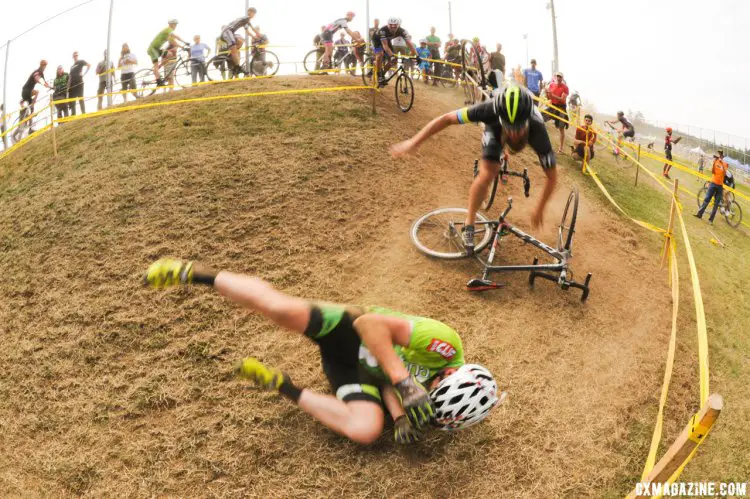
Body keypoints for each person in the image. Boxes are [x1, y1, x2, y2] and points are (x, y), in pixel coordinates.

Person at [143, 258, 503, 444]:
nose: (429, 394)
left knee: (365, 430)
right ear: (452, 372)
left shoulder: (435, 391)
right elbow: (369, 326)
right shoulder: (443, 341)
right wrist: (405, 382)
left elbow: (389, 387)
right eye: (435, 390)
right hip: (350, 330)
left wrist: (398, 415)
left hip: (355, 371)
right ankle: (196, 273)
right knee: (278, 308)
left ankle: (283, 386)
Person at [390, 85, 558, 254]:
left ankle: (503, 152)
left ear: (527, 122)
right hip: (495, 130)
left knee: (508, 150)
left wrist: (540, 208)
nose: (514, 134)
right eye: (510, 128)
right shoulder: (488, 110)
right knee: (487, 174)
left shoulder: (538, 130)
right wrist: (414, 142)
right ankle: (468, 224)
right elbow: (447, 119)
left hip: (518, 131)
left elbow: (552, 177)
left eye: (519, 128)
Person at [372, 18, 417, 87]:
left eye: (395, 25)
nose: (393, 27)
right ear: (387, 25)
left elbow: (409, 43)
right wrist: (391, 55)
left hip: (387, 40)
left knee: (394, 61)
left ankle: (382, 74)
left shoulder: (402, 31)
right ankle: (379, 76)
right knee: (380, 55)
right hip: (377, 40)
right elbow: (385, 46)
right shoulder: (383, 30)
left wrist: (417, 56)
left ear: (398, 25)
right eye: (391, 25)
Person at [220, 8, 258, 74]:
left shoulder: (245, 21)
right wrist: (259, 36)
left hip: (231, 33)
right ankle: (237, 66)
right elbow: (253, 29)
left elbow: (247, 32)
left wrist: (253, 37)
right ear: (250, 12)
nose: (253, 15)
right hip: (227, 31)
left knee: (241, 40)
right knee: (234, 47)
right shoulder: (246, 18)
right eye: (253, 13)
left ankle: (231, 55)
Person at [149, 19, 188, 83]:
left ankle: (158, 72)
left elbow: (174, 42)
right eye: (175, 25)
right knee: (157, 65)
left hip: (156, 49)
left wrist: (182, 47)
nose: (175, 26)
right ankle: (158, 79)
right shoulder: (168, 29)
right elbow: (176, 36)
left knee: (169, 54)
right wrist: (184, 42)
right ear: (171, 25)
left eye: (176, 25)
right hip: (153, 49)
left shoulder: (168, 34)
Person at [695, 150, 729, 224]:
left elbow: (725, 172)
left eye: (720, 155)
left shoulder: (725, 164)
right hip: (713, 183)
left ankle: (711, 220)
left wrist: (721, 163)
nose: (718, 156)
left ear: (722, 156)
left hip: (720, 186)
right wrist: (715, 162)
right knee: (706, 199)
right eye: (718, 155)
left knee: (716, 204)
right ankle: (699, 214)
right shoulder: (715, 162)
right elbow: (713, 171)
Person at [546, 72, 569, 153]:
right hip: (552, 106)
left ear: (562, 78)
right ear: (555, 77)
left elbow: (563, 99)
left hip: (561, 108)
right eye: (557, 76)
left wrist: (553, 95)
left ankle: (561, 148)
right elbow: (549, 97)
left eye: (560, 77)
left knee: (561, 128)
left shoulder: (565, 87)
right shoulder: (552, 85)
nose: (558, 78)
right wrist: (547, 93)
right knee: (540, 118)